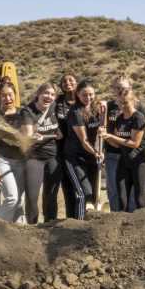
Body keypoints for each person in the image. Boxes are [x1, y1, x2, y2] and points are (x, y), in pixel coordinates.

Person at [100, 89, 145, 212]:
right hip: (124, 161)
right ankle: (123, 227)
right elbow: (117, 144)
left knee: (139, 200)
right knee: (122, 198)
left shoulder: (138, 118)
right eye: (120, 103)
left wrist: (111, 136)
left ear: (133, 101)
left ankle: (143, 227)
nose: (123, 106)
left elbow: (134, 143)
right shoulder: (119, 118)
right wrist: (104, 136)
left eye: (126, 102)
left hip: (139, 162)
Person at [20, 83, 61, 224]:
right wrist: (32, 137)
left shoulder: (55, 107)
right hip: (34, 157)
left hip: (53, 156)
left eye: (52, 94)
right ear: (38, 93)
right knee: (32, 197)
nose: (49, 97)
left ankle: (50, 225)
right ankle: (32, 227)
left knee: (51, 196)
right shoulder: (28, 111)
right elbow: (27, 136)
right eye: (46, 93)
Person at [0, 80, 27, 223]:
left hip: (21, 161)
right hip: (3, 161)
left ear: (15, 95)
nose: (8, 98)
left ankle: (18, 232)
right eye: (3, 96)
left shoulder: (23, 113)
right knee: (12, 198)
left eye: (10, 95)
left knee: (20, 200)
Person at [62, 80, 103, 220]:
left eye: (91, 94)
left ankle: (90, 223)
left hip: (91, 157)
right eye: (84, 95)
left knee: (93, 195)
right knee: (82, 193)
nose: (88, 98)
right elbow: (84, 140)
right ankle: (79, 226)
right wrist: (97, 153)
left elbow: (102, 130)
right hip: (75, 158)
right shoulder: (75, 112)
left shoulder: (97, 109)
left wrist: (99, 151)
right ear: (78, 95)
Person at [102, 77, 133, 212]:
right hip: (112, 154)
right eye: (117, 88)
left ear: (130, 89)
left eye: (124, 88)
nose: (121, 91)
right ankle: (115, 216)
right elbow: (103, 128)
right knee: (113, 188)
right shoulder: (107, 106)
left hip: (131, 154)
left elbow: (141, 131)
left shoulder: (137, 106)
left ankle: (133, 218)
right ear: (113, 89)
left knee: (130, 188)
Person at [55, 74, 78, 218]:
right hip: (61, 150)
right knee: (67, 186)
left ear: (77, 83)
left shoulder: (83, 99)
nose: (67, 83)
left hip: (81, 150)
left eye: (70, 80)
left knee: (81, 187)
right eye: (64, 81)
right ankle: (70, 218)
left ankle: (82, 217)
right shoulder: (57, 102)